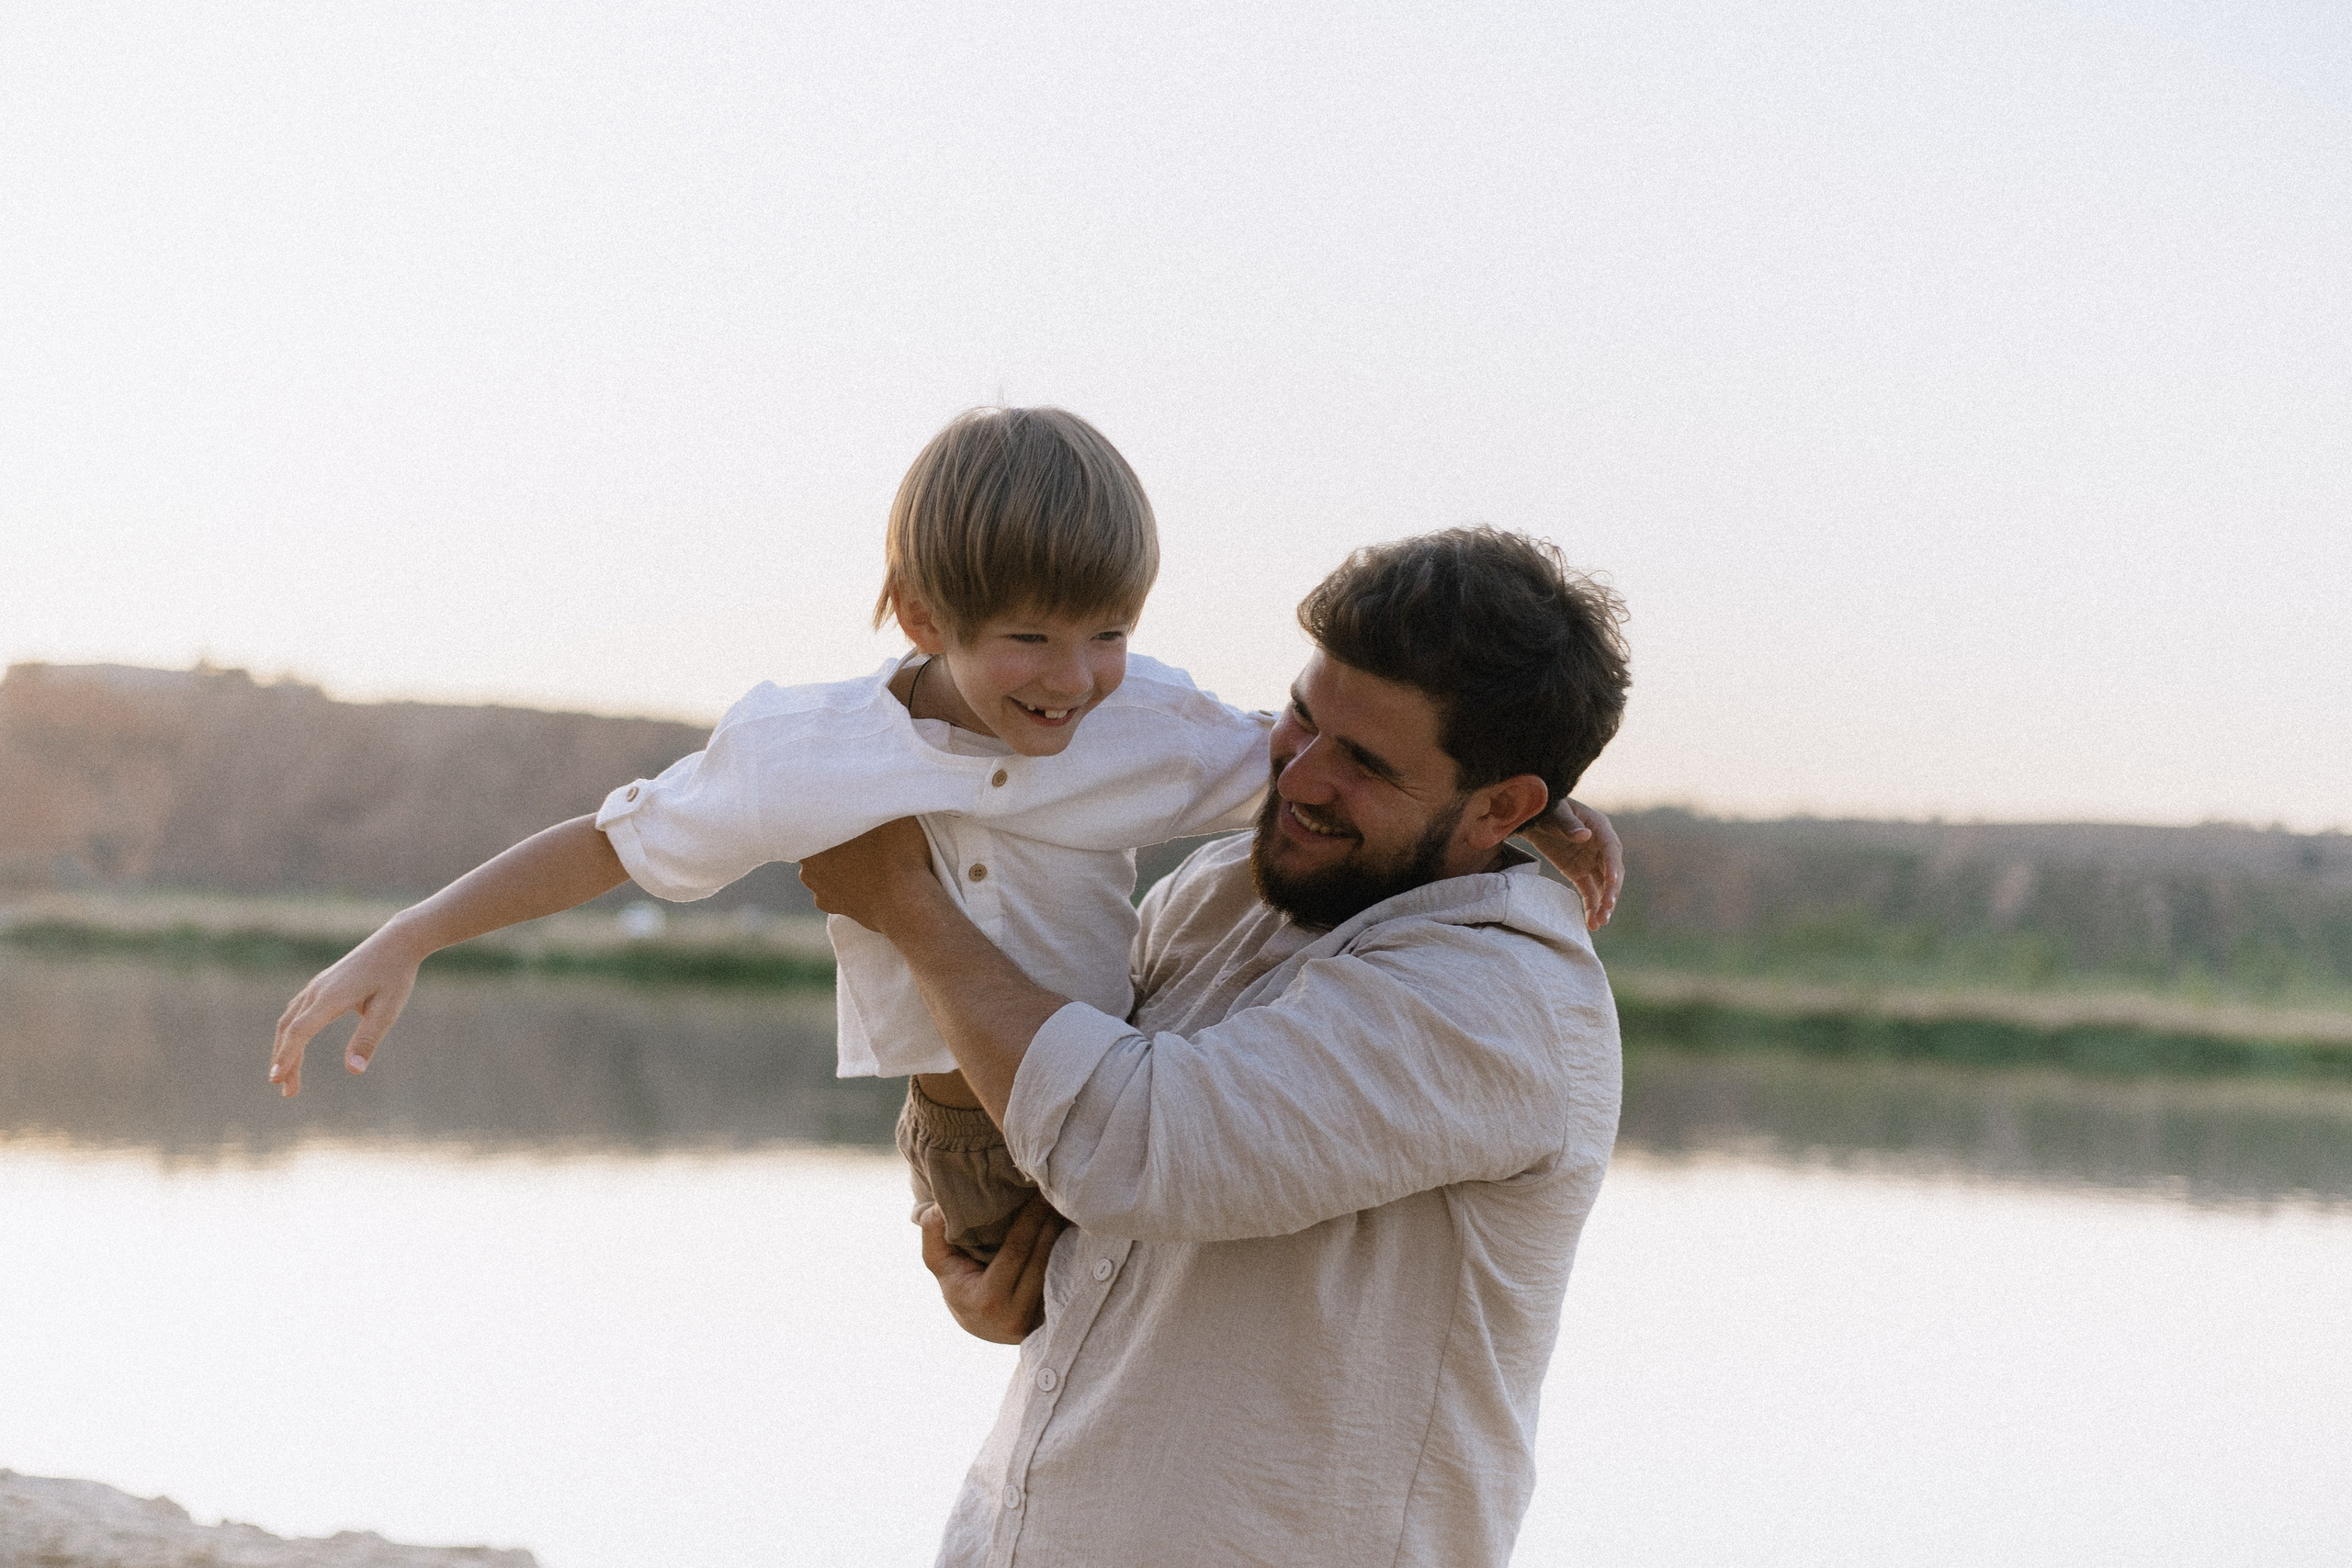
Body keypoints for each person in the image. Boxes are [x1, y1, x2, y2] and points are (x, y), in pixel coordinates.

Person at [266, 408, 1619, 1263]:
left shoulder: (1152, 726)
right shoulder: (812, 754)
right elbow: (617, 844)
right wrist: (414, 929)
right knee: (1036, 1293)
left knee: (1168, 1266)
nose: (1074, 677)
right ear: (921, 618)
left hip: (1119, 1069)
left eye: (1109, 634)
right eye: (1030, 637)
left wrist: (1540, 807)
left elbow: (1335, 770)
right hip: (969, 1125)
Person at [797, 525, 1631, 1568]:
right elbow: (1033, 1109)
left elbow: (1127, 1144)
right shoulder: (1226, 891)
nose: (1304, 777)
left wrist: (907, 905)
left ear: (1503, 807)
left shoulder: (1501, 1000)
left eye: (1366, 763)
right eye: (1302, 716)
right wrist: (981, 1244)